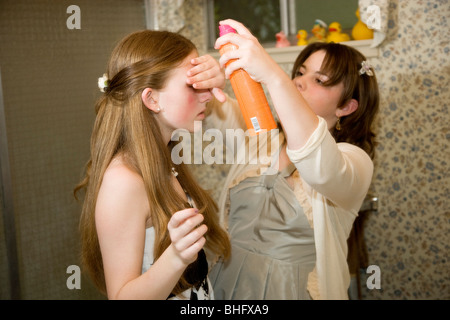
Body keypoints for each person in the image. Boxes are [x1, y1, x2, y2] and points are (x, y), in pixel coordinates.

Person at [195, 19, 379, 300]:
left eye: (319, 80)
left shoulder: (355, 162)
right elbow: (208, 107)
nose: (299, 82)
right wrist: (206, 78)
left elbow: (317, 162)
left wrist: (273, 75)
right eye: (300, 73)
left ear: (346, 106)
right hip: (226, 290)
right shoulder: (260, 137)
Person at [74, 29, 231, 300]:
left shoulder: (163, 159)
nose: (206, 95)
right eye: (193, 86)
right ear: (151, 99)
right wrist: (177, 257)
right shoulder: (123, 181)